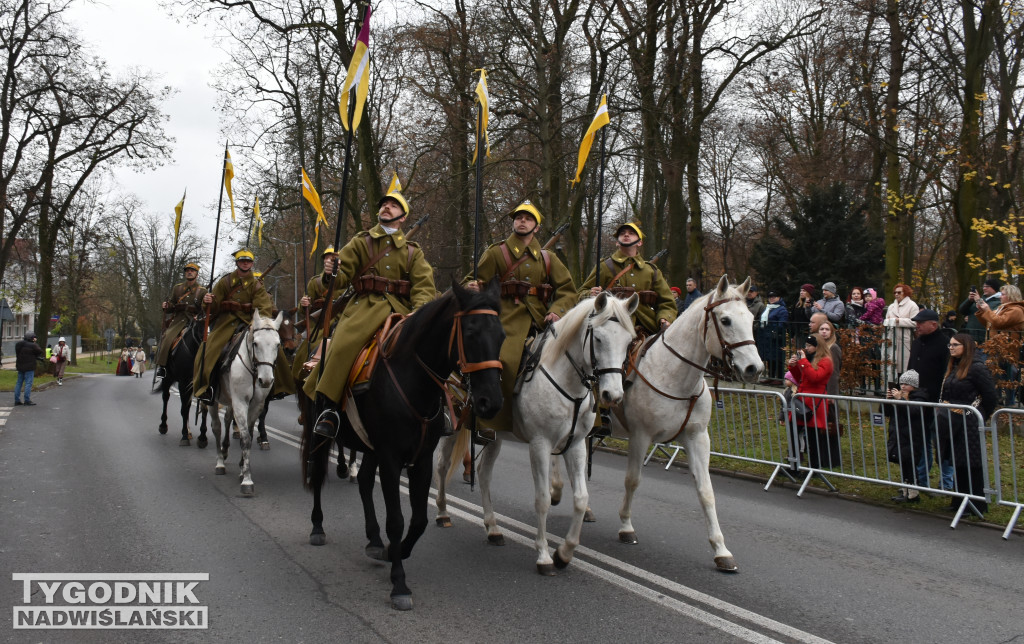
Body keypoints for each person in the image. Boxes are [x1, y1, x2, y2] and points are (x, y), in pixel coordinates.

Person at [307, 187, 436, 437]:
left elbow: (424, 287)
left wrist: (417, 315)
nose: (386, 207)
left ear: (403, 217)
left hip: (400, 311)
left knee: (434, 350)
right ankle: (330, 409)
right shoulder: (361, 241)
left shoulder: (413, 251)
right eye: (384, 203)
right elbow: (342, 276)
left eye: (394, 205)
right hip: (363, 308)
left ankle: (438, 409)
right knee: (342, 346)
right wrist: (331, 270)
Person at [463, 199, 576, 436]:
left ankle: (586, 416)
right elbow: (473, 280)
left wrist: (557, 311)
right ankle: (488, 421)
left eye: (528, 218)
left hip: (540, 320)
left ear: (536, 227)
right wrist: (472, 287)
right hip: (502, 319)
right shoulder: (496, 253)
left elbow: (567, 289)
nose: (522, 221)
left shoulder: (547, 259)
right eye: (518, 217)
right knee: (500, 360)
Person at [194, 249, 276, 403]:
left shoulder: (257, 285)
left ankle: (276, 388)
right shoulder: (225, 282)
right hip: (225, 323)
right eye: (242, 261)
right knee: (208, 351)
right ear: (237, 263)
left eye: (248, 261)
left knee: (273, 349)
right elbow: (214, 305)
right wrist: (208, 301)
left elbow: (264, 308)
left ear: (252, 264)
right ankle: (206, 387)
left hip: (248, 323)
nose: (245, 263)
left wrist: (257, 325)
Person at [936, 333, 998, 513]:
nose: (951, 348)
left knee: (971, 462)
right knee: (958, 461)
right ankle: (959, 502)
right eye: (950, 345)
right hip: (954, 421)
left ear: (967, 347)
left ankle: (975, 505)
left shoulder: (977, 368)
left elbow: (990, 396)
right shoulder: (954, 366)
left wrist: (978, 416)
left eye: (955, 345)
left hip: (969, 421)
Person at [579, 221, 676, 334]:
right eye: (622, 233)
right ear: (617, 243)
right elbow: (580, 293)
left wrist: (665, 318)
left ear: (639, 242)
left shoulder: (651, 271)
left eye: (631, 233)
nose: (626, 235)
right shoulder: (605, 266)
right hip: (611, 327)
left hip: (648, 326)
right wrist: (590, 294)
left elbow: (667, 302)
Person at [906, 309, 955, 491]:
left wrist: (942, 401)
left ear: (933, 324)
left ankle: (947, 484)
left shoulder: (944, 344)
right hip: (919, 401)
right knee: (921, 441)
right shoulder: (918, 343)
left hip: (937, 403)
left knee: (942, 444)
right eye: (916, 322)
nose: (917, 325)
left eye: (921, 322)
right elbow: (911, 369)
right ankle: (922, 481)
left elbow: (947, 374)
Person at [787, 334, 839, 469]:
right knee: (793, 433)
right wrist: (793, 366)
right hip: (802, 400)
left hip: (815, 403)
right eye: (806, 345)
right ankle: (794, 465)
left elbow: (816, 378)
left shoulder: (826, 361)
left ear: (817, 347)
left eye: (809, 346)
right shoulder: (808, 360)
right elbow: (801, 379)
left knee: (812, 438)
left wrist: (803, 362)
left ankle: (814, 467)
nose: (806, 348)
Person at [153, 262, 207, 389]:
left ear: (196, 274)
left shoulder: (202, 291)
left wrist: (199, 314)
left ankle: (205, 371)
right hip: (179, 321)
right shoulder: (177, 288)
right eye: (187, 270)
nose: (189, 272)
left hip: (195, 322)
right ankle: (163, 367)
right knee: (167, 338)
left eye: (192, 271)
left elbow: (205, 309)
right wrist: (167, 306)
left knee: (206, 342)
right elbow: (172, 305)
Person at [293, 247, 342, 382]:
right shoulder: (315, 282)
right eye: (327, 257)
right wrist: (304, 304)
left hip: (343, 320)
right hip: (320, 324)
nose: (329, 260)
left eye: (333, 257)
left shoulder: (347, 280)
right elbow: (303, 309)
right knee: (309, 348)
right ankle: (300, 381)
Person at [974, 283, 1024, 405]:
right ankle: (996, 401)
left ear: (1011, 296)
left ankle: (1010, 404)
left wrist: (987, 310)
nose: (1000, 297)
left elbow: (999, 322)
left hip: (1007, 350)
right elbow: (989, 322)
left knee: (1007, 378)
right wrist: (982, 311)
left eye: (1003, 294)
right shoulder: (1002, 308)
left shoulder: (1016, 310)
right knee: (993, 376)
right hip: (994, 348)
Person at [884, 369, 929, 503]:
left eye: (907, 384)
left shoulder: (919, 397)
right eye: (901, 383)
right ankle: (905, 491)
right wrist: (888, 400)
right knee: (903, 463)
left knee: (910, 464)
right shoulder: (900, 395)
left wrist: (901, 400)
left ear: (914, 385)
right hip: (899, 435)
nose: (903, 386)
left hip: (911, 436)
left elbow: (913, 412)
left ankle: (913, 494)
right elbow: (886, 412)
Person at [883, 283, 919, 382]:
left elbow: (915, 322)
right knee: (891, 364)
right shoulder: (891, 306)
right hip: (892, 337)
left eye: (899, 292)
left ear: (906, 293)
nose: (896, 294)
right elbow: (887, 319)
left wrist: (899, 321)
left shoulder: (912, 305)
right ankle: (891, 388)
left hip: (905, 338)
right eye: (895, 292)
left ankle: (904, 387)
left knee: (904, 364)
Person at [959, 277, 1002, 342]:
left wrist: (979, 301)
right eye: (984, 286)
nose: (984, 288)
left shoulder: (999, 302)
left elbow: (991, 314)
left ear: (994, 288)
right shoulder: (978, 299)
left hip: (985, 337)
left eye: (987, 286)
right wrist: (969, 300)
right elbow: (961, 310)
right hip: (970, 336)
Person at [757, 291, 789, 379]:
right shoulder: (768, 308)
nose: (771, 298)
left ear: (779, 298)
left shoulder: (782, 309)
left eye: (774, 296)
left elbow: (783, 322)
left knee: (777, 358)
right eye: (770, 297)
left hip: (776, 337)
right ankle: (771, 377)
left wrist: (774, 330)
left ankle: (779, 378)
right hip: (766, 337)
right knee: (769, 358)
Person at [14, 331, 43, 406]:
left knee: (19, 383)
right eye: (34, 338)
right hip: (29, 367)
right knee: (28, 383)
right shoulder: (33, 345)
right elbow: (40, 351)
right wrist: (34, 343)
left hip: (20, 366)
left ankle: (17, 400)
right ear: (31, 338)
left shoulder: (18, 344)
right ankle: (27, 400)